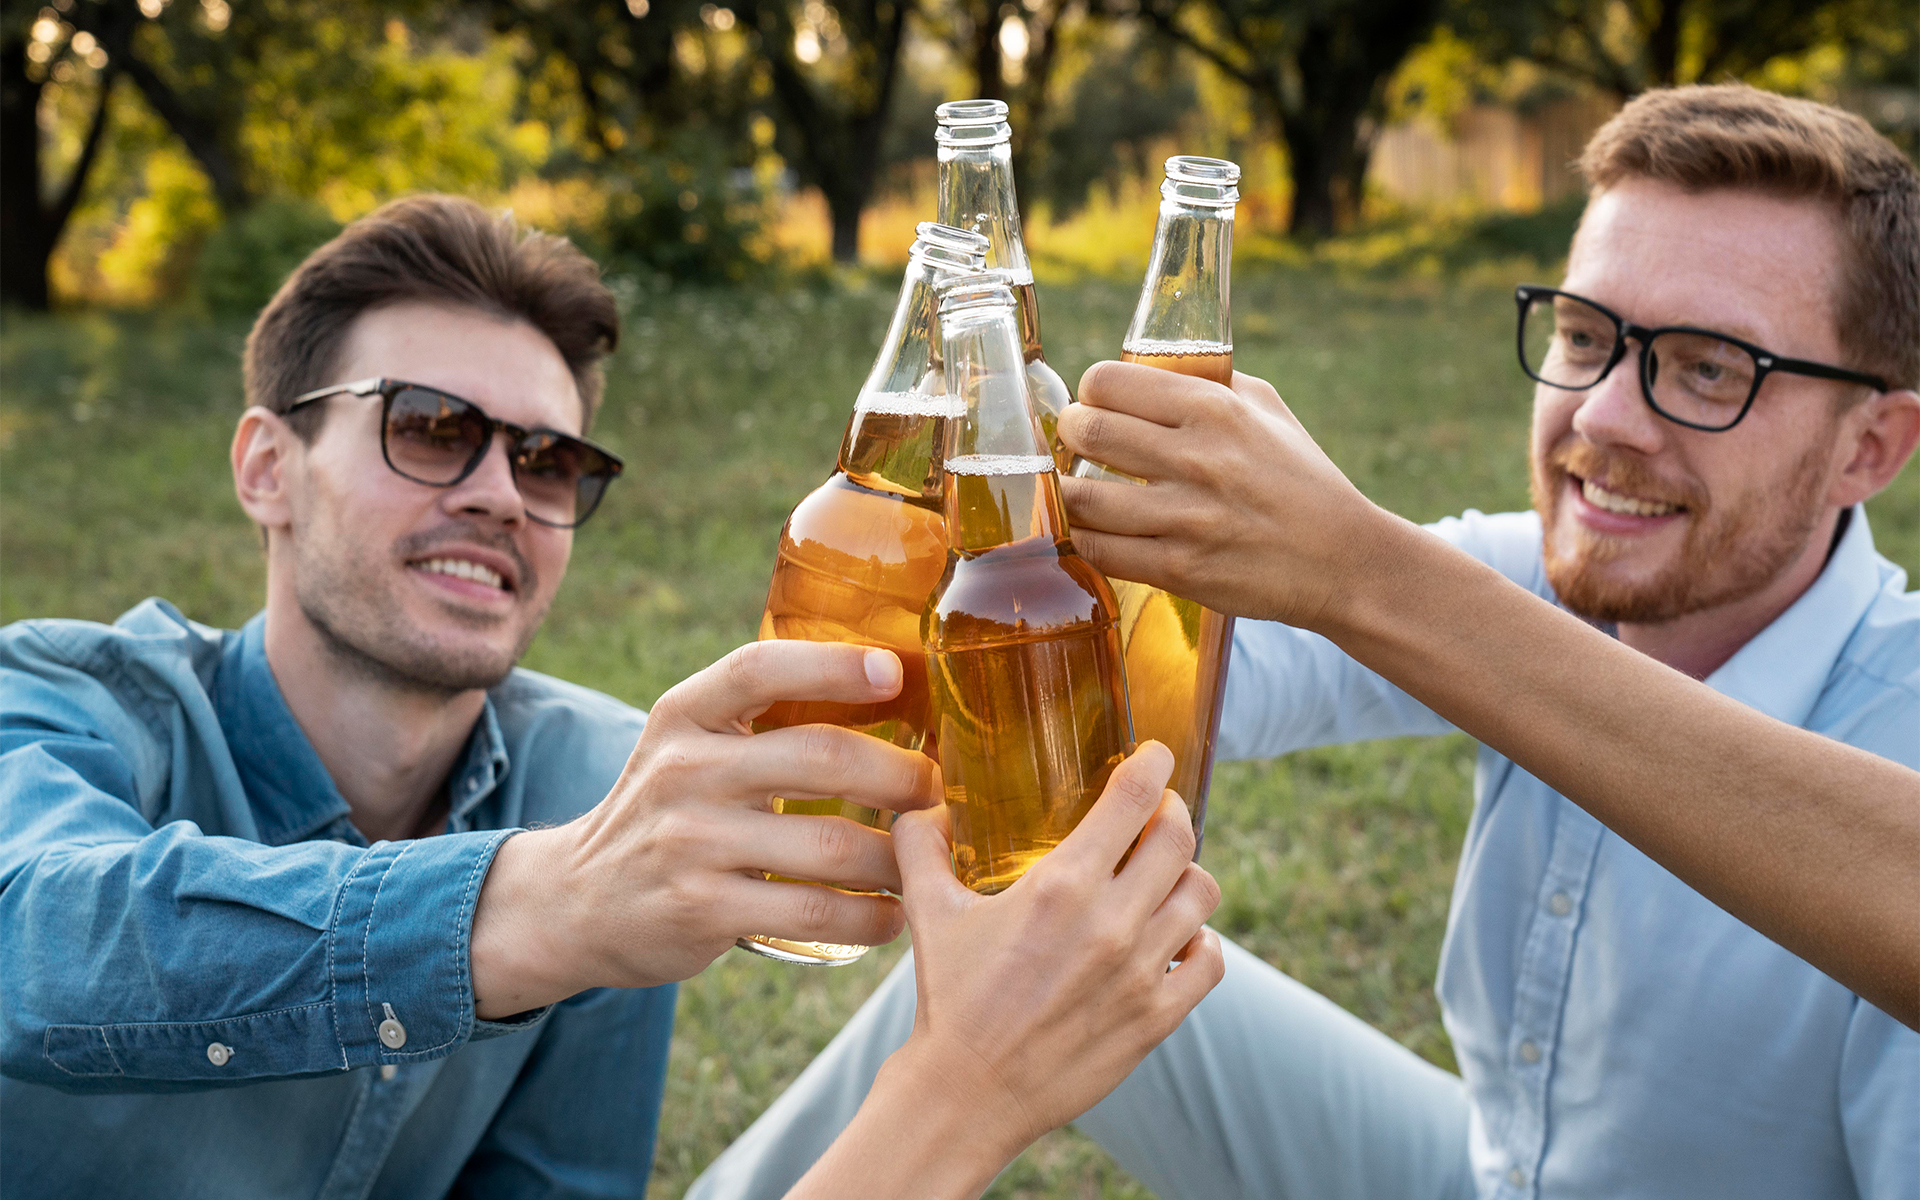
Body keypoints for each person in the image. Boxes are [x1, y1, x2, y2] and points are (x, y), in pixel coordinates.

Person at [688, 84, 1920, 1199]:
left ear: (1874, 446)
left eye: (1709, 371)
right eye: (1586, 338)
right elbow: (1181, 676)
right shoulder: (1539, 580)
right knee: (1025, 979)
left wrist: (1364, 571)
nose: (1601, 419)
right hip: (1480, 1176)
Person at [0, 194, 1224, 1197]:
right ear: (268, 467)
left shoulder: (598, 781)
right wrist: (544, 903)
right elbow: (41, 944)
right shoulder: (62, 696)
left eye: (548, 459)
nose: (496, 491)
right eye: (430, 430)